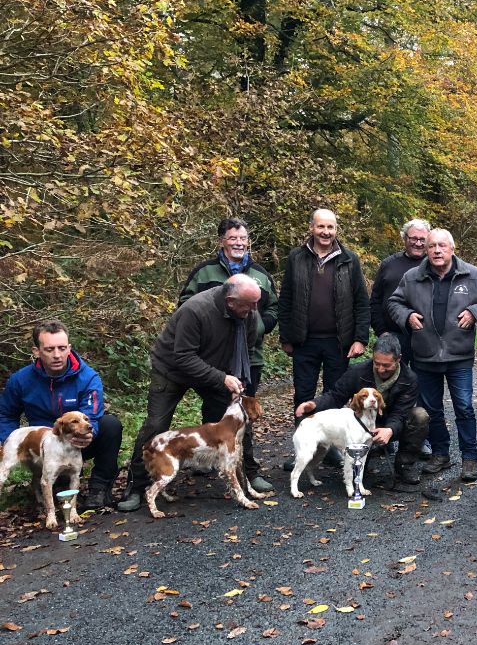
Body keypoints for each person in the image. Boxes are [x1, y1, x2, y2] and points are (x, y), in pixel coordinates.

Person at [118, 276, 262, 512]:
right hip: (172, 370)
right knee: (156, 424)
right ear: (231, 301)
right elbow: (183, 357)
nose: (254, 310)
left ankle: (247, 478)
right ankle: (135, 487)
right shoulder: (196, 310)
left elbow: (246, 348)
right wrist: (221, 378)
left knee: (234, 421)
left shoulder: (248, 313)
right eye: (249, 304)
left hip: (214, 371)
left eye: (256, 303)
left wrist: (234, 381)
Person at [387, 228, 477, 482]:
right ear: (426, 250)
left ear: (452, 248)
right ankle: (441, 453)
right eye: (431, 246)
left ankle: (470, 458)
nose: (437, 251)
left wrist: (475, 312)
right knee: (431, 410)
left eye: (442, 246)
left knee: (464, 407)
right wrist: (406, 316)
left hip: (459, 356)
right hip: (424, 356)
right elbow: (394, 302)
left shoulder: (472, 275)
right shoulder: (412, 276)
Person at [178, 217, 278, 493]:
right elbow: (186, 306)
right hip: (211, 357)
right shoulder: (204, 272)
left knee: (243, 413)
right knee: (215, 411)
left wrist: (254, 326)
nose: (239, 243)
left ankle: (249, 471)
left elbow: (274, 310)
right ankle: (210, 461)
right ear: (221, 240)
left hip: (250, 356)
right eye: (233, 238)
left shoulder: (260, 274)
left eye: (243, 238)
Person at [0, 321, 123, 510]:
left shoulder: (88, 377)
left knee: (111, 425)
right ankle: (52, 485)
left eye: (62, 348)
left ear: (69, 348)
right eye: (49, 349)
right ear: (36, 351)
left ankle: (99, 489)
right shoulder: (20, 380)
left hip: (79, 443)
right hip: (44, 448)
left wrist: (90, 434)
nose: (57, 355)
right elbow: (5, 415)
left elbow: (93, 415)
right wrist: (8, 441)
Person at [295, 333, 429, 485]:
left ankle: (404, 464)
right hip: (362, 425)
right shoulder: (358, 371)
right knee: (357, 472)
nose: (380, 369)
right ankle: (362, 462)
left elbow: (401, 414)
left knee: (420, 416)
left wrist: (390, 429)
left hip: (392, 424)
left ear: (398, 359)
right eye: (376, 363)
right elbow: (336, 395)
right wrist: (314, 404)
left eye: (386, 365)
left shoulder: (409, 379)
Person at [278, 208, 370, 415]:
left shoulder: (349, 259)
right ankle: (304, 444)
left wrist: (360, 338)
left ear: (336, 229)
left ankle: (331, 447)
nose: (326, 231)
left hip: (338, 342)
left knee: (335, 395)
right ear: (312, 228)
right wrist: (286, 337)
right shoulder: (296, 258)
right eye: (321, 226)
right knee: (303, 395)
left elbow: (362, 302)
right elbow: (285, 300)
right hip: (304, 341)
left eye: (330, 227)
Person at [369, 218, 431, 360]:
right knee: (393, 380)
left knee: (422, 381)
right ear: (404, 238)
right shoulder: (389, 264)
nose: (418, 243)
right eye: (413, 238)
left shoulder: (434, 265)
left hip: (425, 337)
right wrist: (381, 331)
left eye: (423, 239)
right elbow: (375, 300)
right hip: (393, 335)